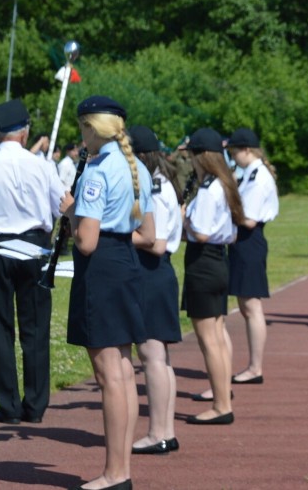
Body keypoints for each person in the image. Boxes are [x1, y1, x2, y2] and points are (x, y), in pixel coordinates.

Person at [63, 95, 155, 490]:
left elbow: (85, 241)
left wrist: (69, 211)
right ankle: (122, 469)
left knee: (110, 376)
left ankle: (116, 473)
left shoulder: (98, 171)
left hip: (101, 268)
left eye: (83, 126)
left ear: (91, 127)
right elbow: (147, 235)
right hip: (124, 265)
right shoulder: (136, 167)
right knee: (122, 370)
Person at [0, 99, 67, 425]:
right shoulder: (42, 165)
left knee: (0, 327)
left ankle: (8, 403)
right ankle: (35, 402)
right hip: (33, 244)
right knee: (35, 326)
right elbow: (62, 207)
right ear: (25, 132)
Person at [127, 125, 183, 455]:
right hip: (155, 274)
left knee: (152, 357)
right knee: (160, 357)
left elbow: (156, 243)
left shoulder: (156, 188)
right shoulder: (158, 183)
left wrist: (114, 233)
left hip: (152, 272)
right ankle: (165, 430)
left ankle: (159, 432)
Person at [182, 127, 244, 425]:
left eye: (192, 156)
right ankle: (223, 398)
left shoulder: (208, 190)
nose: (190, 162)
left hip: (204, 263)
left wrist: (184, 220)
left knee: (209, 340)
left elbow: (202, 233)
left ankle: (221, 405)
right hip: (219, 260)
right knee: (217, 336)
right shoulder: (225, 184)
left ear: (201, 157)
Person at [226, 128, 279, 385]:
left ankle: (255, 367)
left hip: (249, 240)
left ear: (246, 149)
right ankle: (253, 366)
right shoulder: (249, 173)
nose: (233, 157)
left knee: (251, 306)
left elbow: (248, 219)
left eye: (234, 152)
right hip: (244, 242)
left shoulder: (258, 176)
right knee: (248, 307)